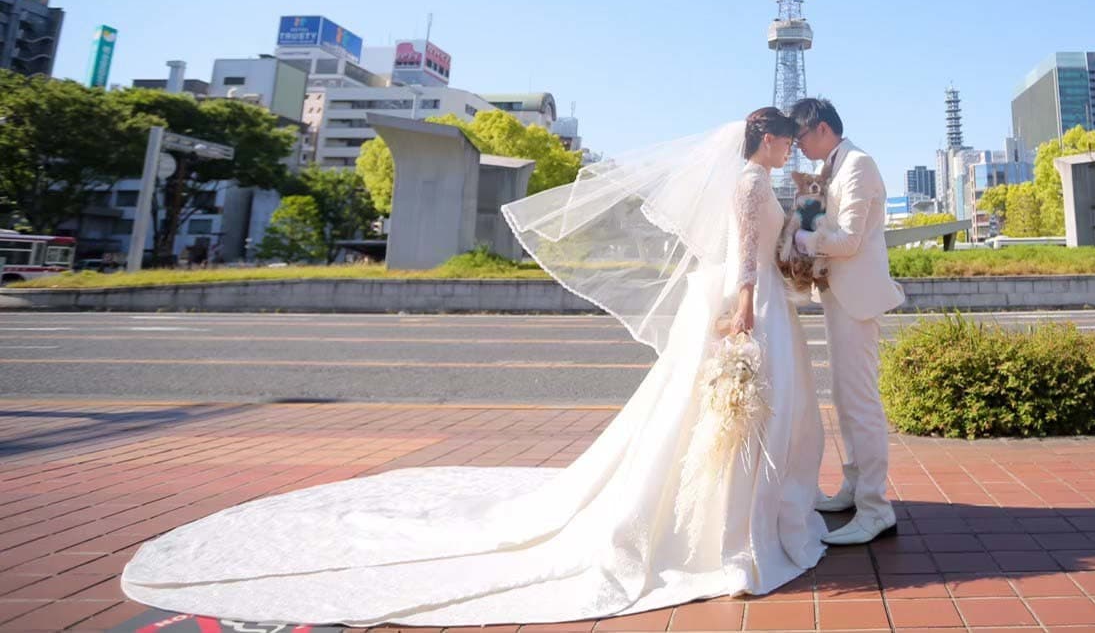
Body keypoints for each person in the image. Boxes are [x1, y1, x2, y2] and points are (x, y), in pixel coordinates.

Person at [120, 109, 828, 627]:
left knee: (721, 410)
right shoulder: (747, 182)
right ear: (763, 139)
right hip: (741, 299)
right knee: (727, 408)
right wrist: (742, 304)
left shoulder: (762, 181)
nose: (788, 147)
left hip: (752, 294)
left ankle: (739, 517)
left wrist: (790, 245)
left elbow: (764, 245)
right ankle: (729, 528)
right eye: (783, 139)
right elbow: (741, 253)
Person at [790, 97, 905, 544]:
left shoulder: (857, 164)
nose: (798, 147)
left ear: (821, 129)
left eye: (800, 137)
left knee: (861, 402)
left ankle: (876, 508)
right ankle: (856, 489)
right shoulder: (833, 167)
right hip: (840, 296)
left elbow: (851, 241)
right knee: (844, 397)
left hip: (855, 298)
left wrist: (802, 237)